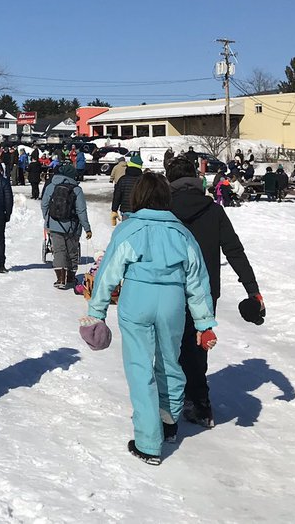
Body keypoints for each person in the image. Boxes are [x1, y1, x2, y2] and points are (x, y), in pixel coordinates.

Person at [84, 171, 217, 465]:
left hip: (137, 300)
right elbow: (197, 280)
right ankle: (169, 422)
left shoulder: (129, 229)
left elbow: (108, 273)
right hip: (172, 302)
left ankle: (147, 442)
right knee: (170, 361)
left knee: (140, 367)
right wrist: (204, 323)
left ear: (139, 197)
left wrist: (97, 312)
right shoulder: (182, 233)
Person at [166, 157, 260, 429]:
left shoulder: (163, 210)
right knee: (198, 346)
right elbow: (234, 251)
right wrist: (252, 289)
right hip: (206, 290)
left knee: (170, 344)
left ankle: (172, 400)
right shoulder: (213, 210)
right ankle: (200, 403)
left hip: (169, 287)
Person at [40, 162, 91, 289]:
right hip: (72, 227)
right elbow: (81, 210)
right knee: (72, 251)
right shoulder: (77, 189)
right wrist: (87, 228)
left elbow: (44, 204)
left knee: (59, 251)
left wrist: (48, 219)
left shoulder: (51, 186)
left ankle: (60, 279)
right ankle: (71, 277)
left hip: (54, 224)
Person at [111, 153, 143, 225]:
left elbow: (117, 196)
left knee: (126, 228)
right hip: (140, 211)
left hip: (125, 211)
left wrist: (114, 210)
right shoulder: (143, 180)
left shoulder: (122, 179)